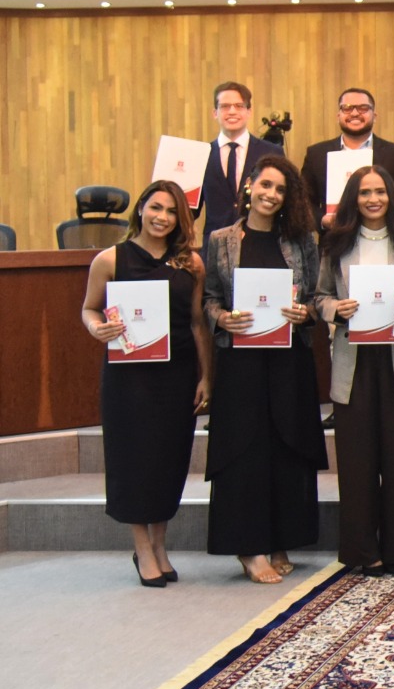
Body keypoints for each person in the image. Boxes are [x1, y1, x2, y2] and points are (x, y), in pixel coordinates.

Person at [81, 180, 212, 587]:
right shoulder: (110, 259)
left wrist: (208, 376)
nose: (162, 217)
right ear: (140, 209)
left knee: (169, 462)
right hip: (128, 377)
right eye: (156, 208)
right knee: (133, 462)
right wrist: (97, 328)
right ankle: (142, 549)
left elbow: (196, 322)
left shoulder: (191, 262)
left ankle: (160, 545)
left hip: (178, 375)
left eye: (172, 212)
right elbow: (89, 309)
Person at [203, 155, 326, 584]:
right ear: (249, 186)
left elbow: (316, 296)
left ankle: (279, 539)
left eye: (281, 190)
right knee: (246, 450)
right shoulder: (221, 240)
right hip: (240, 362)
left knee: (285, 446)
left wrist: (305, 314)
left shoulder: (303, 240)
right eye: (266, 185)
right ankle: (249, 547)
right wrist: (221, 318)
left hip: (288, 359)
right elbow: (209, 298)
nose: (271, 195)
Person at [314, 165, 394, 576]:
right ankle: (363, 550)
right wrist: (335, 309)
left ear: (391, 197)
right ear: (353, 197)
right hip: (355, 361)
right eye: (364, 192)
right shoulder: (335, 244)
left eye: (380, 191)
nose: (373, 199)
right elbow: (320, 298)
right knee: (357, 460)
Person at [300, 87, 394, 233]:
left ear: (374, 116)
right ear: (338, 116)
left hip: (384, 237)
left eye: (363, 108)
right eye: (347, 108)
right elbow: (303, 200)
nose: (355, 113)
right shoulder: (317, 154)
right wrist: (322, 220)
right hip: (334, 241)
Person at [199, 81, 271, 245]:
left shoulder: (271, 152)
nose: (232, 111)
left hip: (259, 244)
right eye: (225, 106)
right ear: (214, 113)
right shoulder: (201, 154)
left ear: (249, 111)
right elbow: (189, 210)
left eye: (239, 106)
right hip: (214, 246)